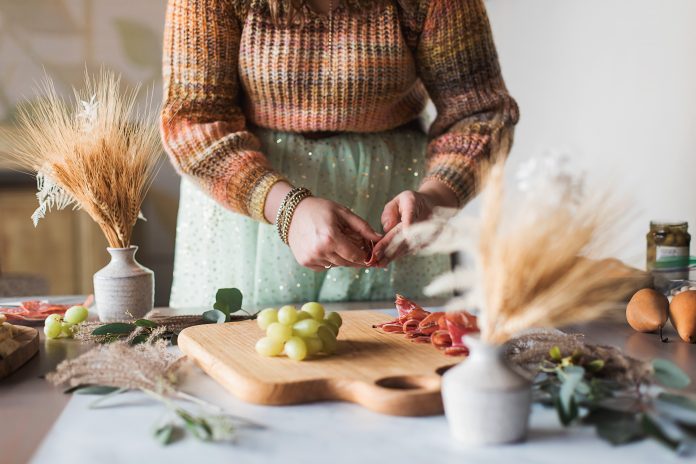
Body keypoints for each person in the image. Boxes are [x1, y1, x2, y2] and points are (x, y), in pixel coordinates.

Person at [161, 0, 518, 309]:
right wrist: (288, 209)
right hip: (251, 210)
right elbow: (194, 122)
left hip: (391, 208)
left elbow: (479, 115)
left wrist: (436, 198)